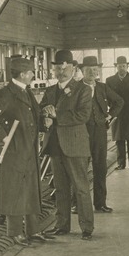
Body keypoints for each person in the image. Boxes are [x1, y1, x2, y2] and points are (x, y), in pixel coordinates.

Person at [0, 56, 46, 246]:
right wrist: (4, 138)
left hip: (29, 149)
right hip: (13, 152)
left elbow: (35, 115)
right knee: (15, 191)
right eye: (31, 72)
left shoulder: (26, 92)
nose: (33, 75)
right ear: (23, 74)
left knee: (31, 188)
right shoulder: (5, 94)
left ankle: (34, 230)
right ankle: (15, 232)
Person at [39, 50, 97, 240]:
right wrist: (45, 116)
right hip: (55, 145)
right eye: (57, 68)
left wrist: (57, 116)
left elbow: (82, 116)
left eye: (65, 67)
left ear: (73, 68)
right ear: (53, 70)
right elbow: (42, 112)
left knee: (80, 187)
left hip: (75, 145)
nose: (61, 71)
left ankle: (87, 227)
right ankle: (62, 225)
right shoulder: (49, 91)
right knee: (61, 189)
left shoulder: (83, 90)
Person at [81, 55, 125, 213]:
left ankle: (100, 204)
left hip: (99, 132)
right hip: (81, 133)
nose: (92, 72)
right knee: (80, 168)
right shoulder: (76, 87)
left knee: (100, 167)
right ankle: (77, 204)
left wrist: (110, 115)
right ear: (82, 71)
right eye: (88, 70)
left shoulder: (102, 87)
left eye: (95, 70)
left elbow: (120, 101)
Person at [105, 56, 129, 170]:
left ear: (127, 66)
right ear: (116, 66)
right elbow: (108, 97)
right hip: (118, 113)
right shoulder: (110, 80)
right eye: (119, 66)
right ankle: (121, 164)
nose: (121, 68)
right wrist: (112, 110)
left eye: (123, 66)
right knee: (119, 139)